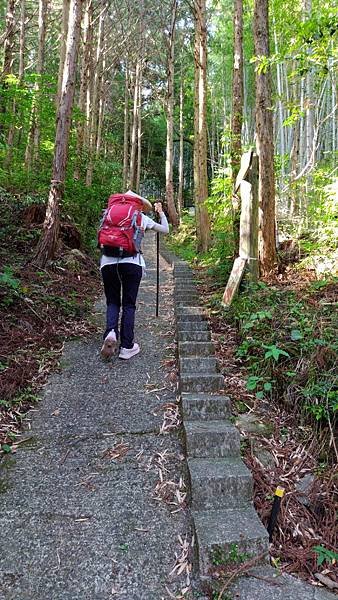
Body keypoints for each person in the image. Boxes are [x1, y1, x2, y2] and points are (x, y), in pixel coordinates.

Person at [100, 192, 169, 360]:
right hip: (132, 263)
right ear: (139, 204)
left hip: (107, 262)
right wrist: (160, 213)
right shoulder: (140, 217)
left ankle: (110, 333)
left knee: (112, 301)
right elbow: (165, 230)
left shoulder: (108, 213)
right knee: (129, 305)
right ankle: (127, 347)